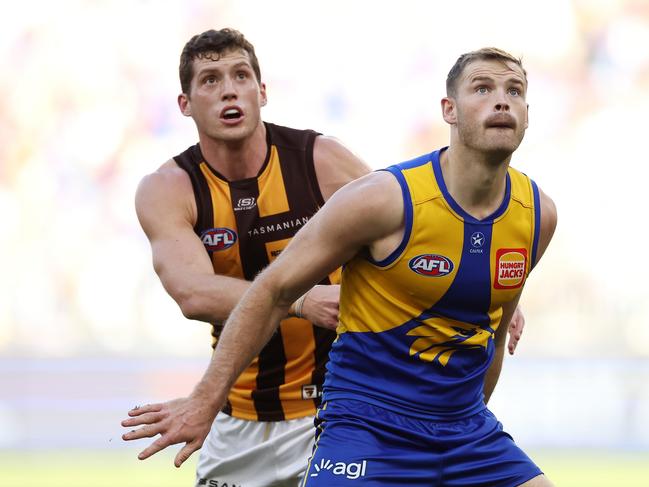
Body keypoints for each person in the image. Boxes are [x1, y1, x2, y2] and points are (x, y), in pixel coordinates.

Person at [122, 32, 532, 486]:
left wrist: (486, 292)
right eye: (211, 80)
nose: (229, 89)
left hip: (342, 414)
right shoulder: (167, 188)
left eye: (241, 76)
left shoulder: (321, 160)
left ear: (262, 92)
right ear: (184, 103)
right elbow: (193, 292)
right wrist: (303, 300)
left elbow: (409, 227)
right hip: (243, 415)